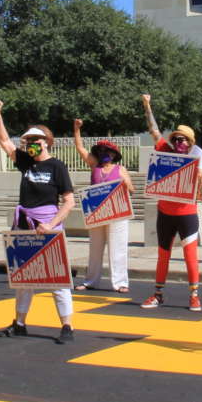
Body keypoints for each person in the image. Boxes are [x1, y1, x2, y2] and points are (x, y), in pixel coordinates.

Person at [0, 99, 76, 344]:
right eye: (27, 142)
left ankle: (67, 325)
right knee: (24, 279)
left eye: (35, 142)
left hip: (48, 226)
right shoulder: (25, 162)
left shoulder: (57, 166)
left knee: (56, 279)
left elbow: (69, 201)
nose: (30, 146)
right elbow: (4, 141)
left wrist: (51, 225)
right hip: (25, 225)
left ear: (46, 143)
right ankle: (19, 323)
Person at [140, 93, 202, 311]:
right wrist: (147, 105)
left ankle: (194, 295)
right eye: (176, 139)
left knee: (191, 255)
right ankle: (158, 294)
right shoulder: (165, 152)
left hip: (187, 214)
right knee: (163, 255)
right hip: (165, 213)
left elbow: (201, 195)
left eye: (183, 139)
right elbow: (153, 131)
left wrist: (200, 180)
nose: (179, 142)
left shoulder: (198, 162)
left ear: (190, 143)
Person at [72, 119, 133, 293]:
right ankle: (91, 281)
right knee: (95, 247)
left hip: (117, 213)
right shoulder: (94, 165)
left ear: (114, 154)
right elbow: (80, 148)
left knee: (118, 247)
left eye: (108, 151)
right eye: (102, 150)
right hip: (97, 212)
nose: (105, 153)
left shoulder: (120, 169)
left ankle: (121, 282)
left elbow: (132, 189)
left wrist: (124, 183)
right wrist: (76, 129)